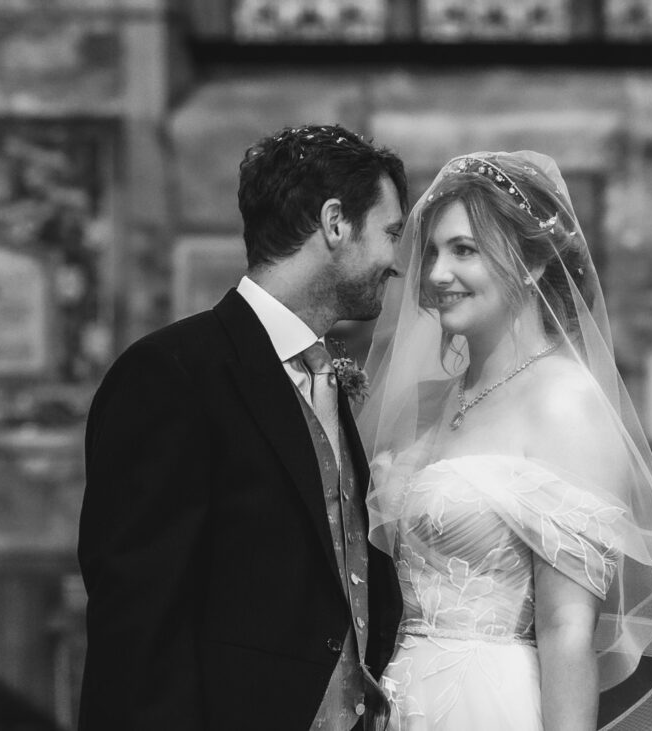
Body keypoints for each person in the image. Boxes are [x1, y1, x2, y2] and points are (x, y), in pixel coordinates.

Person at [78, 124, 406, 730]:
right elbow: (138, 624)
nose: (396, 265)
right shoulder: (170, 375)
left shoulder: (326, 375)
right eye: (390, 234)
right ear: (336, 224)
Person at [358, 151, 652, 730]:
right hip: (401, 699)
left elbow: (568, 630)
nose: (437, 274)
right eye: (434, 251)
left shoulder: (565, 405)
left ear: (533, 265)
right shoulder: (435, 401)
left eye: (464, 250)